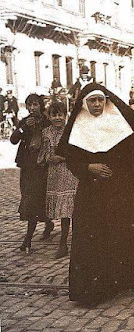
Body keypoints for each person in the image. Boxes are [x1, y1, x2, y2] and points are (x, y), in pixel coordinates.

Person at [56, 83, 134, 306]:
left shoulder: (119, 123)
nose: (97, 105)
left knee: (121, 230)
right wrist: (88, 167)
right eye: (92, 101)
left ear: (107, 101)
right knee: (93, 234)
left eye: (101, 100)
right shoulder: (77, 127)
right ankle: (97, 287)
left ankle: (126, 278)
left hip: (121, 189)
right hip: (92, 191)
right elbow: (71, 159)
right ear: (84, 103)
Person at [10, 94, 53, 254]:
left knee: (32, 200)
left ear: (41, 106)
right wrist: (23, 128)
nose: (32, 108)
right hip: (27, 167)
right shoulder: (25, 122)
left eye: (35, 104)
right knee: (29, 198)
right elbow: (13, 140)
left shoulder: (47, 122)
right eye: (29, 105)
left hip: (42, 167)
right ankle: (48, 223)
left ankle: (27, 240)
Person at [37, 102, 78, 258]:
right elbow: (42, 156)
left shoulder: (71, 131)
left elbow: (77, 153)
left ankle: (65, 243)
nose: (57, 118)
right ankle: (63, 243)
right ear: (49, 116)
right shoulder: (46, 133)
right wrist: (49, 158)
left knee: (71, 209)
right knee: (63, 211)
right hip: (55, 175)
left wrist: (63, 157)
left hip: (70, 173)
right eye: (54, 115)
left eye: (60, 114)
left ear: (65, 115)